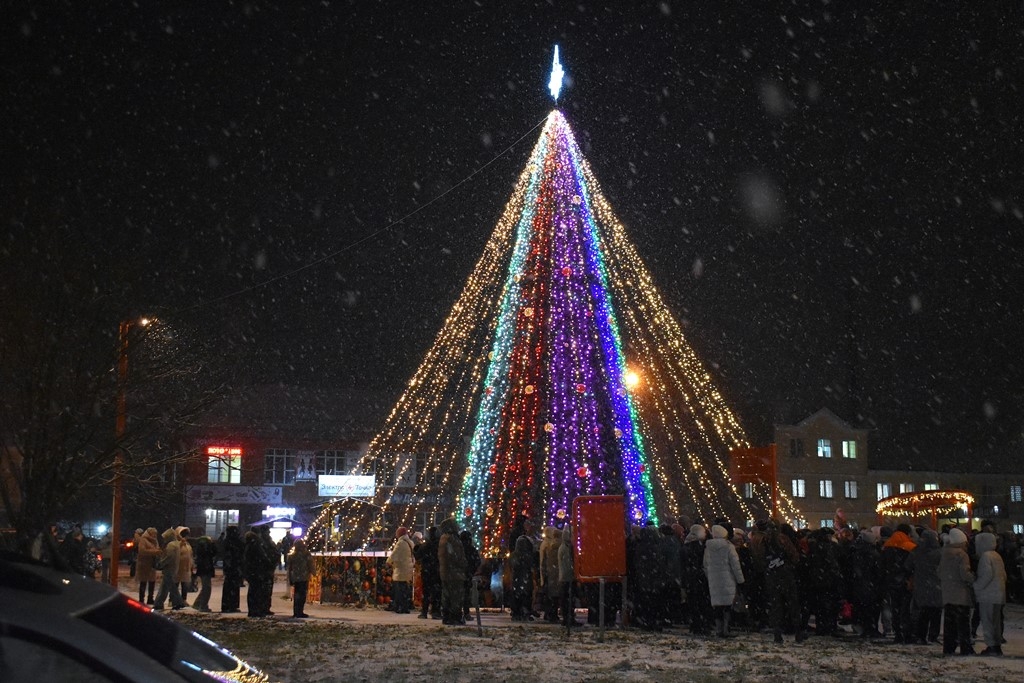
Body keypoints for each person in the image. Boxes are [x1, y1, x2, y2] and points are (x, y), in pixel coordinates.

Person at [763, 522, 806, 643]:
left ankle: (777, 633)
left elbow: (761, 558)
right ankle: (798, 632)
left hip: (771, 575)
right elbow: (794, 555)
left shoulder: (765, 540)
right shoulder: (783, 539)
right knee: (793, 603)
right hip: (785, 574)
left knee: (776, 604)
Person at [939, 527, 975, 656]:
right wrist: (973, 578)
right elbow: (964, 574)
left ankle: (949, 647)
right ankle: (966, 648)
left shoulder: (944, 552)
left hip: (948, 593)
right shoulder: (962, 554)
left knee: (950, 625)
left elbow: (939, 572)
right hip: (960, 594)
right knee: (963, 625)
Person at [704, 524, 745, 638]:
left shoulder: (708, 547)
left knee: (717, 606)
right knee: (727, 605)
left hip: (714, 581)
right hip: (728, 579)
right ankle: (726, 629)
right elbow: (735, 565)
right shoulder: (728, 546)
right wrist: (740, 580)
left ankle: (718, 629)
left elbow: (706, 565)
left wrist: (710, 577)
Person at [879, 523, 916, 643]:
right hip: (905, 581)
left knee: (895, 608)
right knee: (906, 609)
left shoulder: (887, 546)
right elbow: (912, 565)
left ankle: (897, 633)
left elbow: (882, 566)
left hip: (891, 581)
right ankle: (907, 633)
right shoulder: (910, 546)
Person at [905, 528, 942, 644]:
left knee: (923, 612)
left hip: (920, 584)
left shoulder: (916, 551)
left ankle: (921, 635)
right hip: (936, 585)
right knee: (936, 612)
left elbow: (907, 565)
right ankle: (933, 635)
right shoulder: (939, 553)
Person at [973, 531, 1007, 656]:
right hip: (998, 594)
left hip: (987, 595)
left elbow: (986, 575)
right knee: (995, 621)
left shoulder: (985, 557)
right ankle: (996, 644)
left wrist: (976, 587)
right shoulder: (997, 556)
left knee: (987, 621)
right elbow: (1003, 575)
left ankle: (991, 645)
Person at [438, 518, 467, 625]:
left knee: (447, 595)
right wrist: (463, 565)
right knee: (456, 596)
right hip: (455, 573)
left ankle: (446, 616)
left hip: (445, 572)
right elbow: (458, 557)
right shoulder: (453, 539)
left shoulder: (443, 538)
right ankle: (455, 616)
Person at [152, 527, 186, 611]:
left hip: (169, 568)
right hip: (173, 568)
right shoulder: (176, 544)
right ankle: (159, 603)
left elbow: (168, 557)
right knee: (165, 586)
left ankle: (177, 602)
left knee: (170, 587)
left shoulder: (171, 545)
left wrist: (161, 563)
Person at [243, 529, 273, 618]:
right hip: (257, 571)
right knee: (257, 591)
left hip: (252, 571)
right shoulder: (256, 545)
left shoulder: (248, 545)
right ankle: (256, 610)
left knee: (253, 591)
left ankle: (253, 610)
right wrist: (268, 564)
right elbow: (263, 557)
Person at [386, 527, 415, 614]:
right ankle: (404, 606)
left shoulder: (400, 543)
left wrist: (388, 562)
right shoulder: (410, 542)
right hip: (408, 567)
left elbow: (394, 555)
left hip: (400, 569)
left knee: (399, 589)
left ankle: (400, 607)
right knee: (405, 589)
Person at [414, 526, 441, 620]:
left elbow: (417, 556)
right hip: (437, 571)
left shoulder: (425, 546)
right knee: (436, 592)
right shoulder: (440, 545)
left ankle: (424, 611)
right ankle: (435, 611)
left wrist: (416, 549)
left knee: (426, 592)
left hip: (427, 571)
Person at [539, 526, 562, 623]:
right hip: (552, 573)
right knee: (553, 596)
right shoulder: (550, 545)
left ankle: (548, 614)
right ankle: (551, 614)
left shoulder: (545, 544)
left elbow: (542, 561)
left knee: (549, 595)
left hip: (548, 573)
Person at [558, 524, 579, 627]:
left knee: (568, 599)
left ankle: (568, 618)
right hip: (567, 578)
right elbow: (567, 564)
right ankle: (568, 618)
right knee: (568, 599)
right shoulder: (565, 548)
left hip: (566, 577)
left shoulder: (565, 547)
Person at [220, 525, 245, 613]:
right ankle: (231, 605)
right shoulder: (235, 542)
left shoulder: (227, 541)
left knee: (229, 586)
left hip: (230, 567)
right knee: (233, 586)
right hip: (234, 567)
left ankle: (227, 605)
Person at [287, 538, 313, 618]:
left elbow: (290, 568)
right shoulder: (306, 555)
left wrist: (290, 578)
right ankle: (300, 611)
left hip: (295, 577)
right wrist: (313, 572)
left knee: (297, 595)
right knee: (302, 595)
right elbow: (310, 564)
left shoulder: (292, 556)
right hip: (303, 577)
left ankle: (296, 611)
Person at [191, 534, 217, 612]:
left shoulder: (200, 550)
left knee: (205, 588)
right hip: (206, 569)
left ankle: (198, 603)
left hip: (203, 569)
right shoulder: (206, 551)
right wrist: (212, 544)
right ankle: (203, 605)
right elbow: (214, 552)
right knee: (207, 588)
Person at [135, 527, 160, 604]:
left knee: (152, 582)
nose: (155, 535)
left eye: (155, 534)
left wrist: (158, 552)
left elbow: (157, 548)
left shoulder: (155, 541)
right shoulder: (143, 540)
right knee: (143, 582)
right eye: (153, 533)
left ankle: (150, 598)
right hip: (144, 564)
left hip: (152, 564)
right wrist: (154, 552)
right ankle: (141, 599)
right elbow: (142, 551)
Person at [460, 530, 481, 621]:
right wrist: (471, 571)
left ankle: (458, 612)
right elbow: (477, 561)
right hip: (467, 574)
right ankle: (466, 612)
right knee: (466, 594)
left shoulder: (459, 549)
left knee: (458, 594)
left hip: (459, 574)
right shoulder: (471, 549)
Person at [176, 527, 194, 606]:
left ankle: (183, 599)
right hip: (178, 567)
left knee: (184, 585)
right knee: (176, 584)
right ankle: (173, 599)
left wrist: (192, 564)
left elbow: (190, 555)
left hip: (186, 567)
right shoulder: (177, 543)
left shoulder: (187, 544)